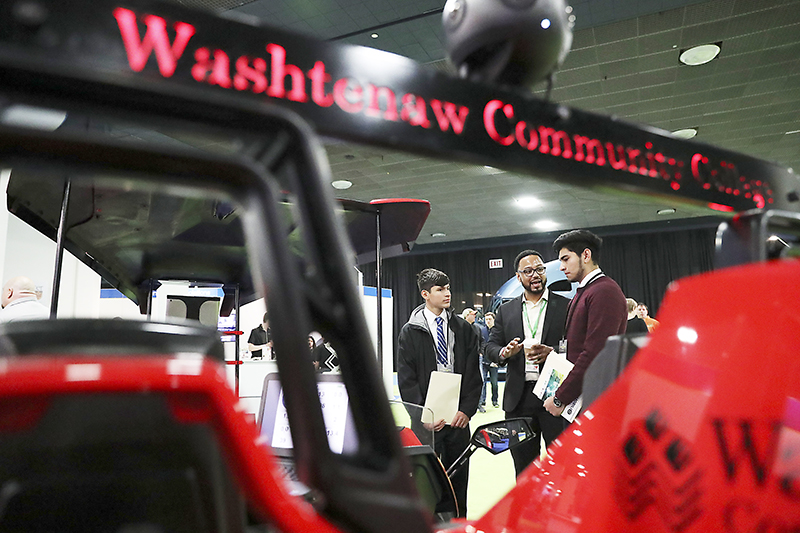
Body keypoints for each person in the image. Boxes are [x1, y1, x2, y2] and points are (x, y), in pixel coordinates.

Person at [397, 268, 482, 517]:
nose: (447, 293)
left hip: (458, 419)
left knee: (459, 481)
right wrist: (422, 415)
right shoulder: (410, 332)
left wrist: (466, 410)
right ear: (425, 294)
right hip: (426, 421)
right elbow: (406, 379)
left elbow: (473, 374)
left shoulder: (463, 329)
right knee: (426, 483)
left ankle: (458, 523)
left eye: (448, 288)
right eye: (440, 289)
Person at [485, 250, 569, 476]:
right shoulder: (506, 311)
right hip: (519, 401)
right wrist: (505, 352)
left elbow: (576, 346)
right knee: (524, 470)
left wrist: (553, 353)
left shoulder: (566, 306)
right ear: (518, 276)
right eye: (528, 271)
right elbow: (490, 347)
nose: (535, 275)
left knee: (562, 468)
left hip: (554, 396)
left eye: (539, 269)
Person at [545, 230, 627, 417]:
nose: (561, 267)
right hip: (581, 399)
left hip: (595, 402)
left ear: (586, 255)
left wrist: (560, 397)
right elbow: (579, 346)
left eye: (566, 259)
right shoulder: (586, 291)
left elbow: (595, 354)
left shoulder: (604, 291)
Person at [479, 312, 499, 412]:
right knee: (483, 382)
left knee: (494, 383)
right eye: (486, 319)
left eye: (490, 319)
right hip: (484, 361)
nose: (488, 321)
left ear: (494, 320)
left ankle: (495, 400)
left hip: (494, 362)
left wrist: (497, 361)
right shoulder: (482, 330)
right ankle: (483, 401)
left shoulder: (497, 331)